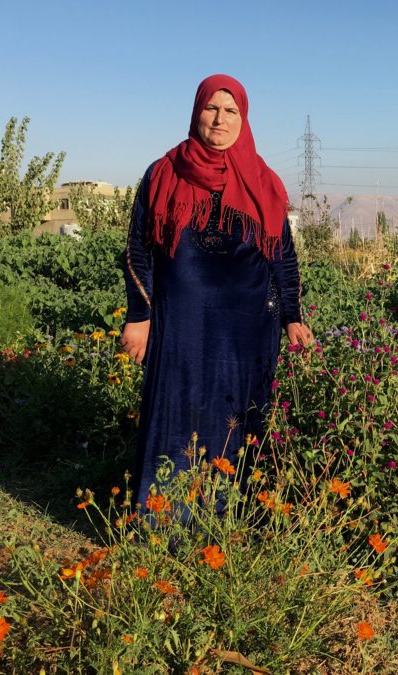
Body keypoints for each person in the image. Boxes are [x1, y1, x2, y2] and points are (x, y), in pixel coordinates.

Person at [120, 74, 313, 513]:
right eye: (212, 108)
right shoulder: (163, 172)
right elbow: (138, 250)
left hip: (246, 328)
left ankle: (230, 519)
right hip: (180, 324)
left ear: (243, 120)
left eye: (231, 111)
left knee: (236, 416)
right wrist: (140, 316)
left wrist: (293, 315)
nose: (220, 119)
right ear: (196, 112)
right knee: (177, 413)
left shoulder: (264, 181)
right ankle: (165, 519)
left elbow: (281, 255)